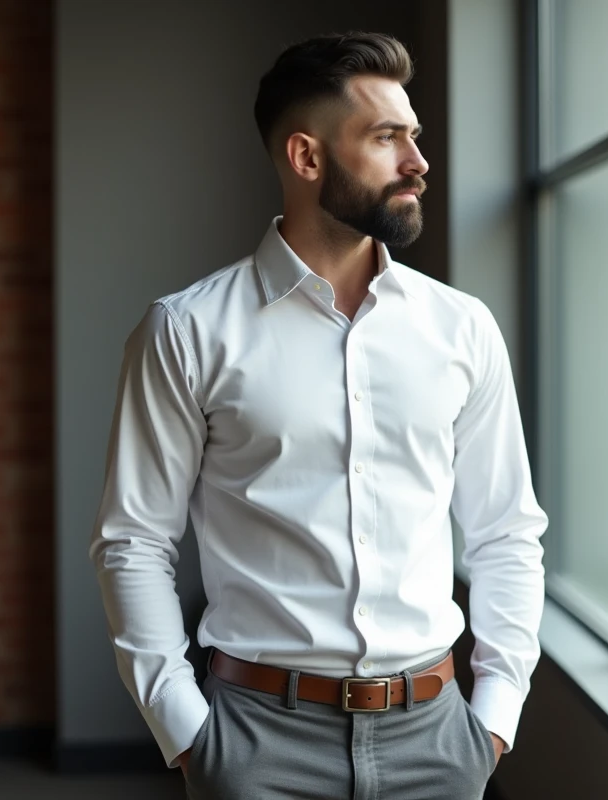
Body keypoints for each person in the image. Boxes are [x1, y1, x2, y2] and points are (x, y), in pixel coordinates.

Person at [89, 30, 548, 800]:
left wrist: (493, 719)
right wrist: (190, 737)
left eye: (415, 136)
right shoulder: (187, 330)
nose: (418, 162)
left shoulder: (461, 328)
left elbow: (507, 531)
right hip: (256, 744)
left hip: (438, 740)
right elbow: (132, 542)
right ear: (307, 158)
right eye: (385, 138)